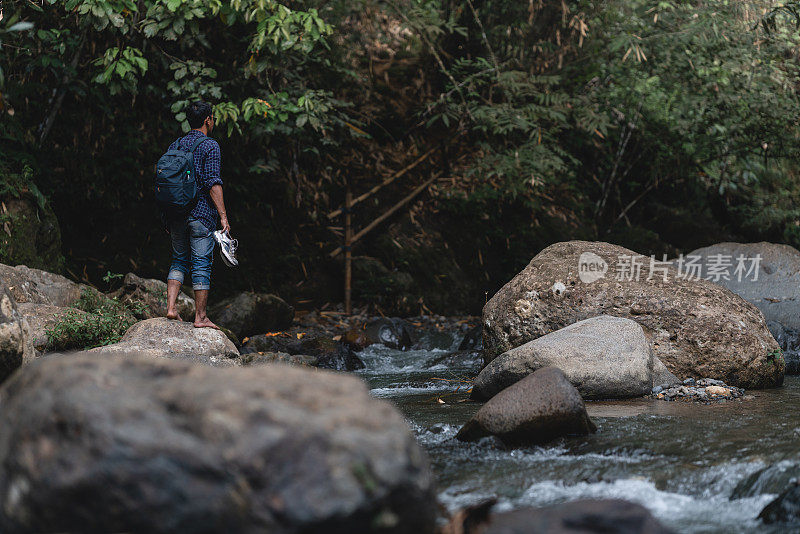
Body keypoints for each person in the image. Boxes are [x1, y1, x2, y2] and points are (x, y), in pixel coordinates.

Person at [163, 100, 230, 329]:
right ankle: (200, 318)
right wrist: (223, 216)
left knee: (179, 259)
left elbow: (167, 183)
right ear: (207, 120)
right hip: (201, 216)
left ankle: (171, 309)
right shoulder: (210, 146)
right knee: (201, 264)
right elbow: (213, 183)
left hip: (176, 214)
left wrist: (167, 216)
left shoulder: (176, 144)